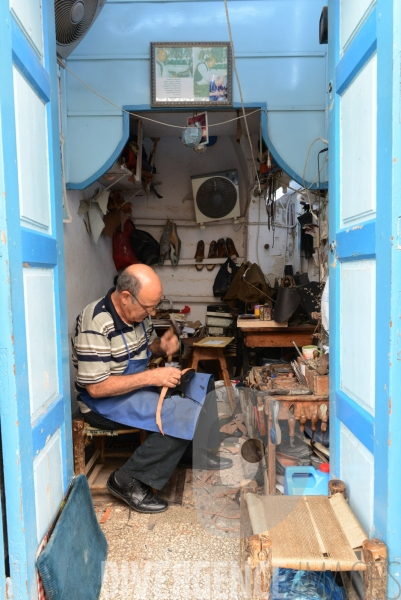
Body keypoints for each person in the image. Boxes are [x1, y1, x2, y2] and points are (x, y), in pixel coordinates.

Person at [71, 265, 232, 514]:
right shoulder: (96, 323)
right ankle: (128, 479)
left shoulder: (138, 313)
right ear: (126, 297)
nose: (152, 312)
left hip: (136, 386)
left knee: (203, 384)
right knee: (180, 412)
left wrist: (161, 346)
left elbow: (148, 345)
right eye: (148, 308)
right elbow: (96, 388)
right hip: (103, 401)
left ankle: (193, 452)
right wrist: (153, 376)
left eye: (154, 306)